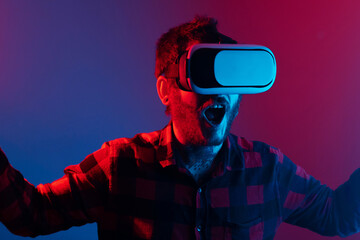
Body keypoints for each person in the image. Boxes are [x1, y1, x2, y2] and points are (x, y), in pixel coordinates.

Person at [0, 16, 359, 240]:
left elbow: (340, 216)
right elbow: (31, 214)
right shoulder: (120, 166)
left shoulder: (268, 170)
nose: (220, 92)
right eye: (205, 74)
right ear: (166, 90)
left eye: (230, 77)